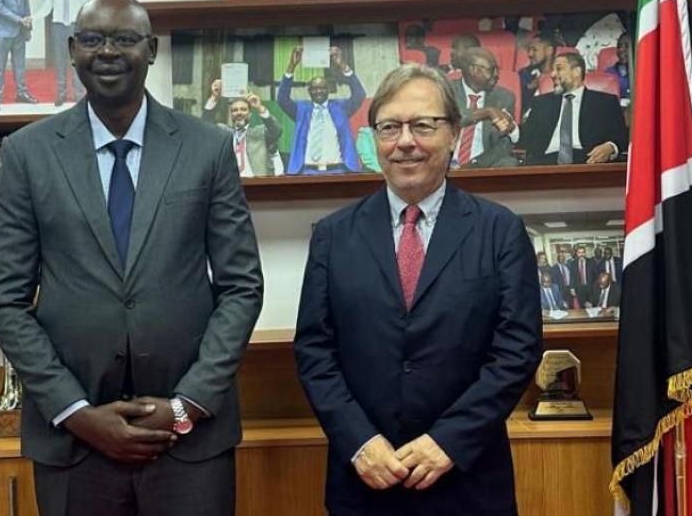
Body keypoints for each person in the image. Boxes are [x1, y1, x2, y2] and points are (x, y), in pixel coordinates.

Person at [0, 0, 264, 516]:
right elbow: (2, 298)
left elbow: (241, 286)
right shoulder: (28, 153)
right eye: (92, 39)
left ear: (151, 49)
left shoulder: (207, 147)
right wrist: (75, 412)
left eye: (124, 39)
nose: (107, 51)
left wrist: (187, 406)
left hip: (189, 440)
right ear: (72, 49)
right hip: (75, 441)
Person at [294, 63, 542, 515]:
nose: (405, 141)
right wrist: (359, 442)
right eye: (389, 127)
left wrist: (449, 441)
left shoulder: (499, 231)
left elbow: (516, 351)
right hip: (365, 481)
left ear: (453, 134)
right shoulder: (333, 236)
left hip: (467, 479)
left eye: (422, 125)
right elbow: (314, 351)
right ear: (373, 140)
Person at [518, 51, 627, 165]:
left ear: (576, 72)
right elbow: (528, 136)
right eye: (552, 70)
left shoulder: (605, 102)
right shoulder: (541, 103)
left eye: (559, 69)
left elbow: (621, 136)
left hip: (588, 162)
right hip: (545, 163)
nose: (552, 74)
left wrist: (610, 147)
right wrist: (512, 129)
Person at [277, 45, 366, 175]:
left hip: (338, 170)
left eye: (323, 87)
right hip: (306, 172)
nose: (319, 91)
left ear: (328, 90)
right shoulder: (301, 110)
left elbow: (359, 95)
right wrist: (292, 66)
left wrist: (343, 66)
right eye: (314, 88)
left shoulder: (341, 107)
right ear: (309, 91)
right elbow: (282, 99)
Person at [449, 47, 519, 168]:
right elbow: (447, 123)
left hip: (482, 163)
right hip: (446, 160)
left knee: (509, 163)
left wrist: (475, 164)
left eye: (497, 70)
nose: (497, 75)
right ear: (474, 70)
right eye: (492, 70)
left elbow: (504, 144)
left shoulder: (504, 98)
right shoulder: (448, 90)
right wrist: (485, 112)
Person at [30, 0, 90, 106]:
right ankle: (61, 95)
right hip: (58, 28)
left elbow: (87, 9)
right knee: (60, 62)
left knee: (77, 61)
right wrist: (31, 18)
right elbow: (45, 9)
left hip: (75, 27)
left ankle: (79, 94)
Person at [202, 79, 283, 177]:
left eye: (243, 110)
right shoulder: (224, 133)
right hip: (231, 187)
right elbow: (204, 128)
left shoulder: (260, 132)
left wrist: (259, 107)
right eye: (234, 110)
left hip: (257, 185)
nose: (239, 113)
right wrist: (214, 97)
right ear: (231, 115)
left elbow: (277, 130)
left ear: (250, 114)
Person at [518, 32, 556, 111]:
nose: (530, 54)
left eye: (535, 50)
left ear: (549, 51)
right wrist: (530, 88)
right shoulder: (524, 74)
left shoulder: (560, 75)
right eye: (529, 50)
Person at [605, 31, 631, 103]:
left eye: (626, 46)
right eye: (619, 46)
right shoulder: (609, 74)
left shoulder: (645, 72)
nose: (621, 50)